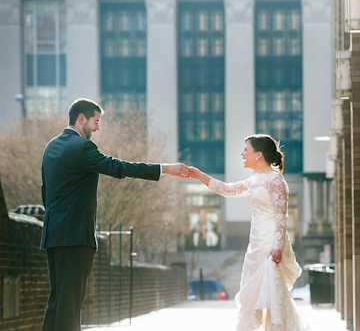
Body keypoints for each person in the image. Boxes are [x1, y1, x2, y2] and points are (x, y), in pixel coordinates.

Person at [40, 98, 189, 331]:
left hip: (53, 234)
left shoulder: (51, 146)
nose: (98, 128)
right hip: (76, 234)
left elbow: (45, 191)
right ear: (81, 119)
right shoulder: (82, 147)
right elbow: (118, 167)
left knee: (57, 300)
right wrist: (164, 168)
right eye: (96, 122)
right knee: (71, 304)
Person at [189, 134, 309, 331]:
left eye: (246, 149)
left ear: (258, 154)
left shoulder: (275, 181)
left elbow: (281, 216)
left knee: (271, 295)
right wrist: (197, 174)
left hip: (270, 245)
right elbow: (227, 189)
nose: (242, 153)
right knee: (253, 294)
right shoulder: (256, 180)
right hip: (255, 244)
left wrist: (277, 247)